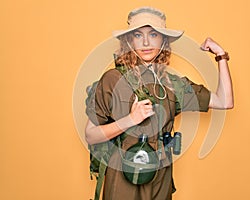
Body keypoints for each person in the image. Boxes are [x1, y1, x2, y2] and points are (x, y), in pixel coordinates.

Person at [85, 6, 233, 200]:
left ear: (163, 41)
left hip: (159, 178)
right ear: (129, 41)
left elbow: (224, 101)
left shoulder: (173, 85)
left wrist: (221, 56)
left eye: (153, 34)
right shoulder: (113, 80)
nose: (146, 42)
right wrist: (130, 120)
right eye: (138, 35)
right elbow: (91, 135)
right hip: (122, 177)